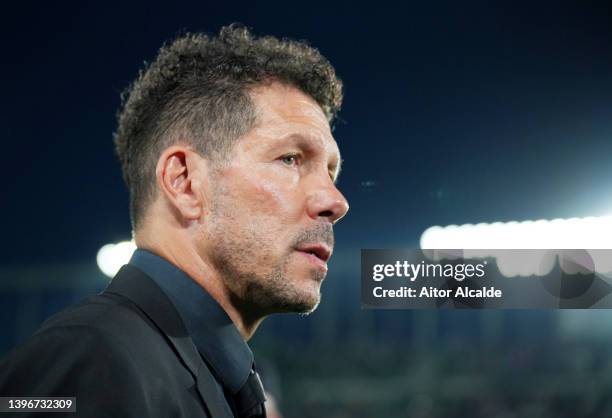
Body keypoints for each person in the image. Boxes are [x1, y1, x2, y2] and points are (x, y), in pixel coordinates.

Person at [0, 24, 348, 417]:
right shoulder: (92, 357)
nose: (335, 201)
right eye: (290, 159)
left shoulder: (201, 377)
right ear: (184, 182)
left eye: (332, 173)